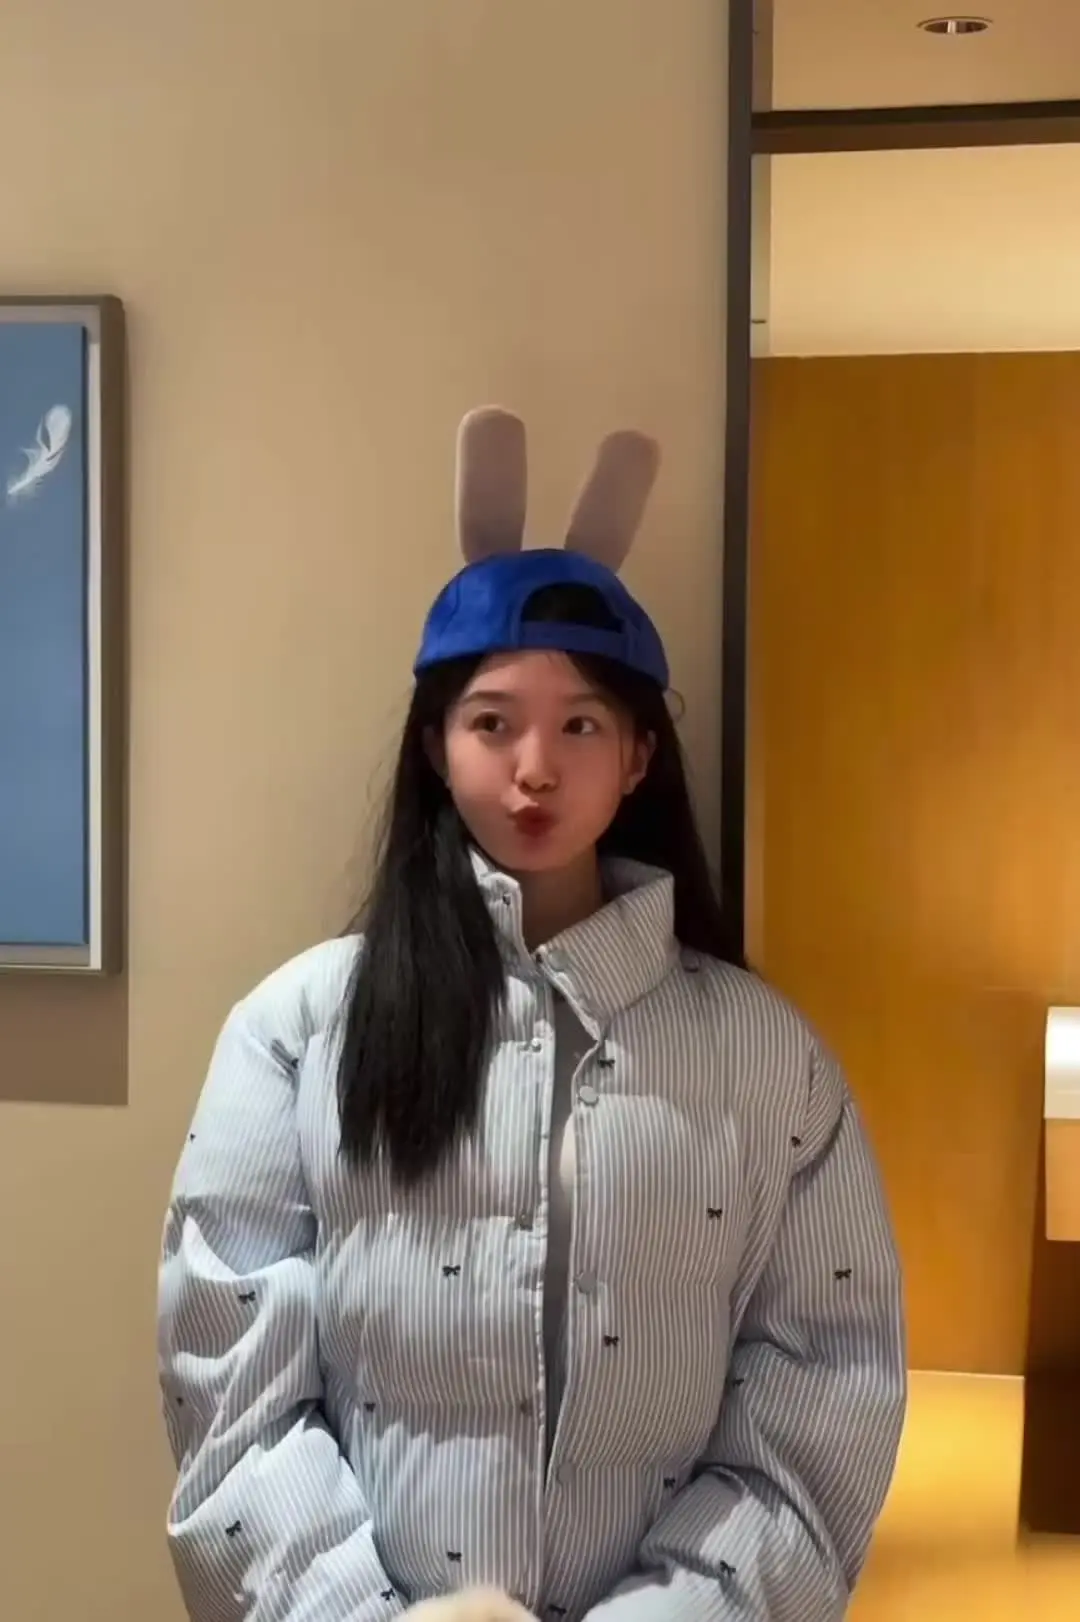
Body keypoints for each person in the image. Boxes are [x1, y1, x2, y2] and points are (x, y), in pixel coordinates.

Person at [158, 409, 906, 1622]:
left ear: (641, 755)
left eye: (582, 724)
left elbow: (826, 1383)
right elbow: (229, 1387)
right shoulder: (294, 1030)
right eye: (493, 721)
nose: (536, 767)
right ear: (436, 745)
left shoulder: (769, 1058)